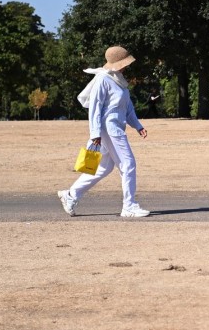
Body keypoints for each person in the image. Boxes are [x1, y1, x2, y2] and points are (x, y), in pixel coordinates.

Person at [58, 46, 150, 218]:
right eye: (125, 63)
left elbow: (127, 107)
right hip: (109, 129)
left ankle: (70, 195)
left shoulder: (120, 80)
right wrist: (95, 134)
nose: (127, 66)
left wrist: (138, 125)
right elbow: (94, 108)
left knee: (104, 168)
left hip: (115, 128)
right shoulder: (103, 79)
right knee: (128, 164)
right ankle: (129, 206)